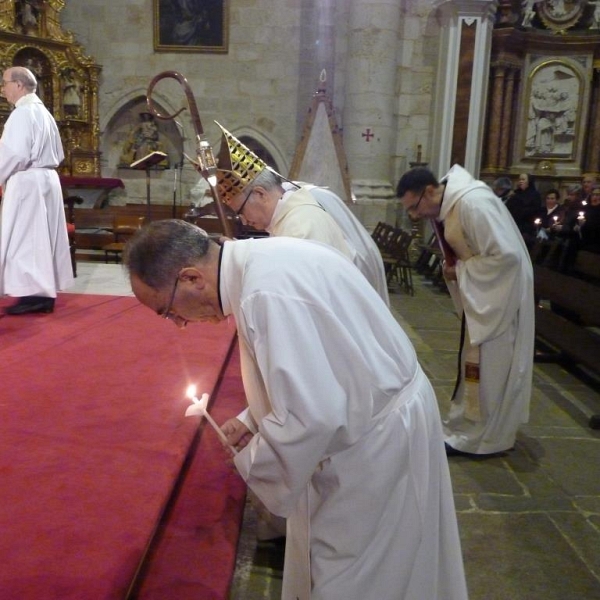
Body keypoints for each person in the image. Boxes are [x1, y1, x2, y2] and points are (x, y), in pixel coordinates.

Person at [123, 219, 469, 600]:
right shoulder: (264, 260)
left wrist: (254, 460)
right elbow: (323, 366)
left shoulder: (263, 293)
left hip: (373, 447)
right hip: (377, 416)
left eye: (167, 311)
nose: (180, 325)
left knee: (357, 579)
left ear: (191, 278)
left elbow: (313, 416)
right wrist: (255, 418)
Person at [396, 165, 534, 456]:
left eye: (415, 207)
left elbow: (506, 257)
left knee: (491, 369)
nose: (415, 215)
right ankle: (466, 429)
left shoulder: (473, 203)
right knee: (473, 366)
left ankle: (485, 438)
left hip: (499, 299)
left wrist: (460, 271)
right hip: (485, 297)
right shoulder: (452, 205)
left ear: (431, 191)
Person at [214, 122, 389, 304]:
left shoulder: (303, 225)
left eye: (241, 211)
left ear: (260, 194)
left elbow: (290, 288)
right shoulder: (289, 214)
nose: (242, 221)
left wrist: (239, 257)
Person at [0, 66, 73, 315]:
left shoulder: (22, 113)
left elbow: (15, 153)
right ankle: (40, 292)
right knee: (41, 238)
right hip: (46, 178)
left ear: (19, 85)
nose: (3, 89)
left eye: (5, 83)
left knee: (27, 238)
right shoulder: (43, 113)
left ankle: (35, 295)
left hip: (27, 182)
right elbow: (59, 153)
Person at [505, 173, 541, 249]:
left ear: (529, 182)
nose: (520, 181)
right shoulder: (515, 194)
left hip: (527, 228)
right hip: (513, 225)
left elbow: (535, 210)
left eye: (523, 179)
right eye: (520, 179)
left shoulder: (535, 195)